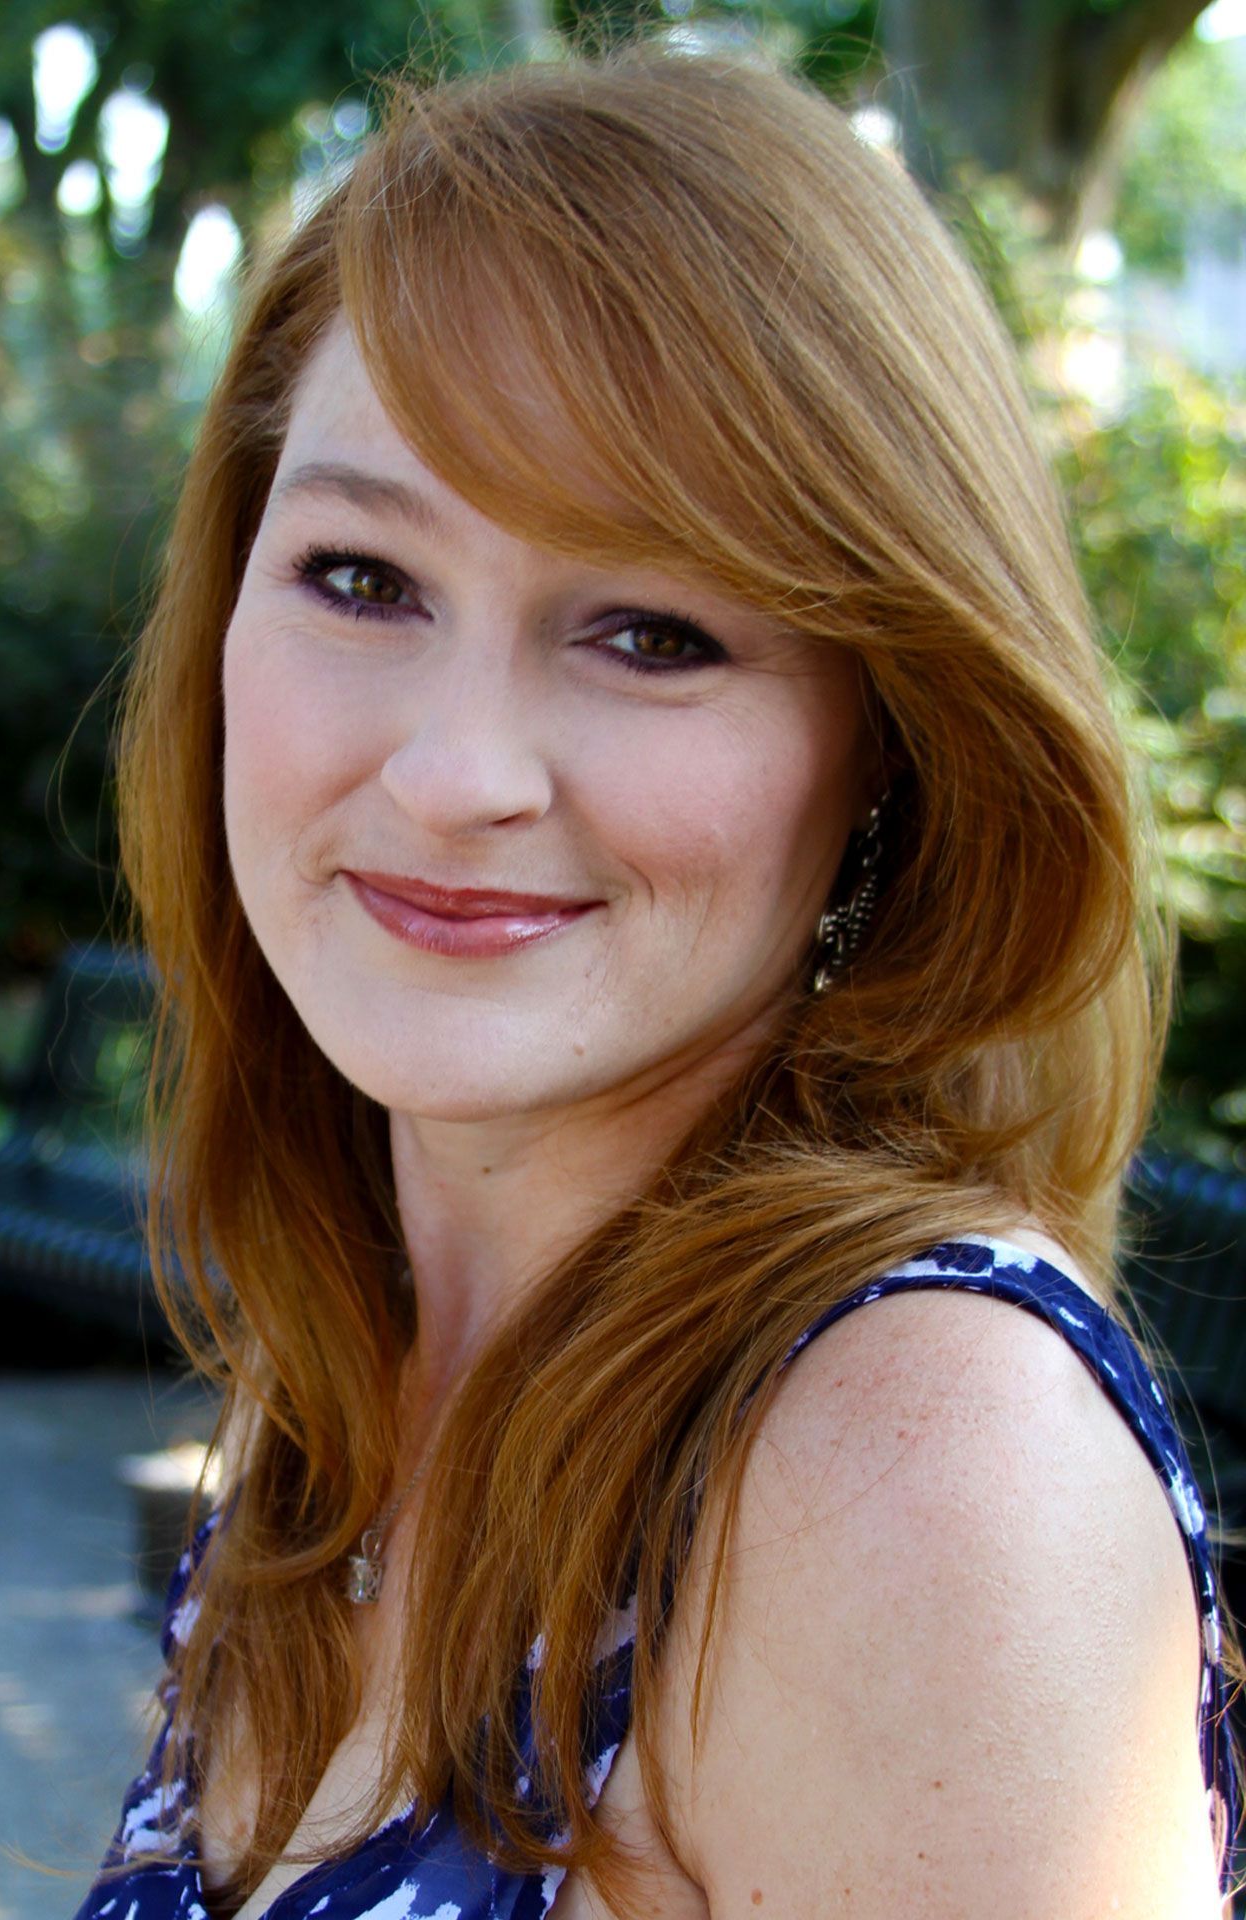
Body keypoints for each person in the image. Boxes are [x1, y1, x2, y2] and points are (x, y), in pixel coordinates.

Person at [74, 40, 1237, 1920]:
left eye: (653, 630)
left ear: (891, 744)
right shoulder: (352, 1389)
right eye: (365, 578)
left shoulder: (917, 1467)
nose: (459, 772)